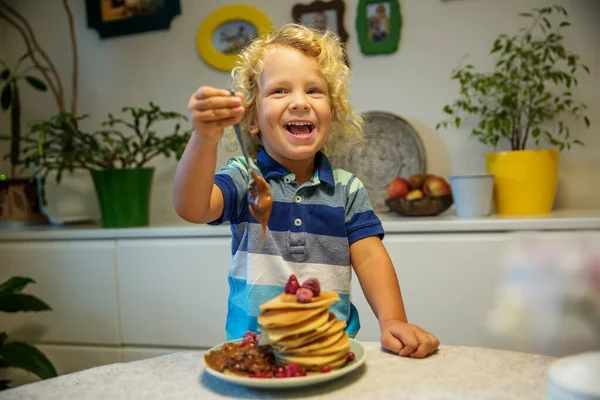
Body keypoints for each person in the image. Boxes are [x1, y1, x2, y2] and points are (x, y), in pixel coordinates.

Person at [173, 23, 439, 358]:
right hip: (252, 352)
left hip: (330, 350)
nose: (300, 102)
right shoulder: (245, 179)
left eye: (314, 91)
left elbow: (370, 256)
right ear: (253, 118)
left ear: (334, 112)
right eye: (280, 91)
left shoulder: (347, 189)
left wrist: (393, 320)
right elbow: (192, 207)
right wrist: (203, 140)